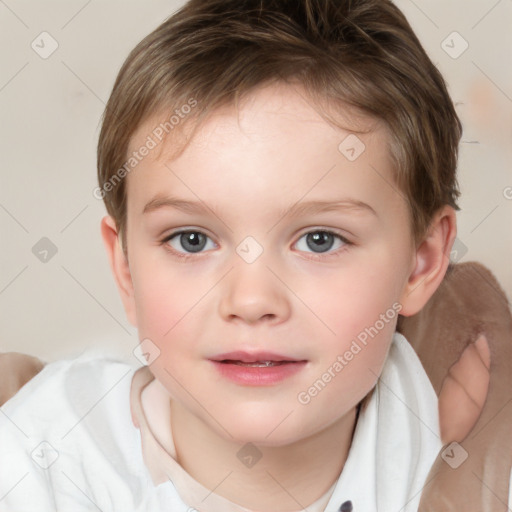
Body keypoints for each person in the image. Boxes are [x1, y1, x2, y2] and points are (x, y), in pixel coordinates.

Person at [0, 0, 486, 510]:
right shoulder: (40, 465)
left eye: (320, 239)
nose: (252, 301)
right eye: (192, 240)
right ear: (126, 267)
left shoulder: (472, 460)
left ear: (422, 261)